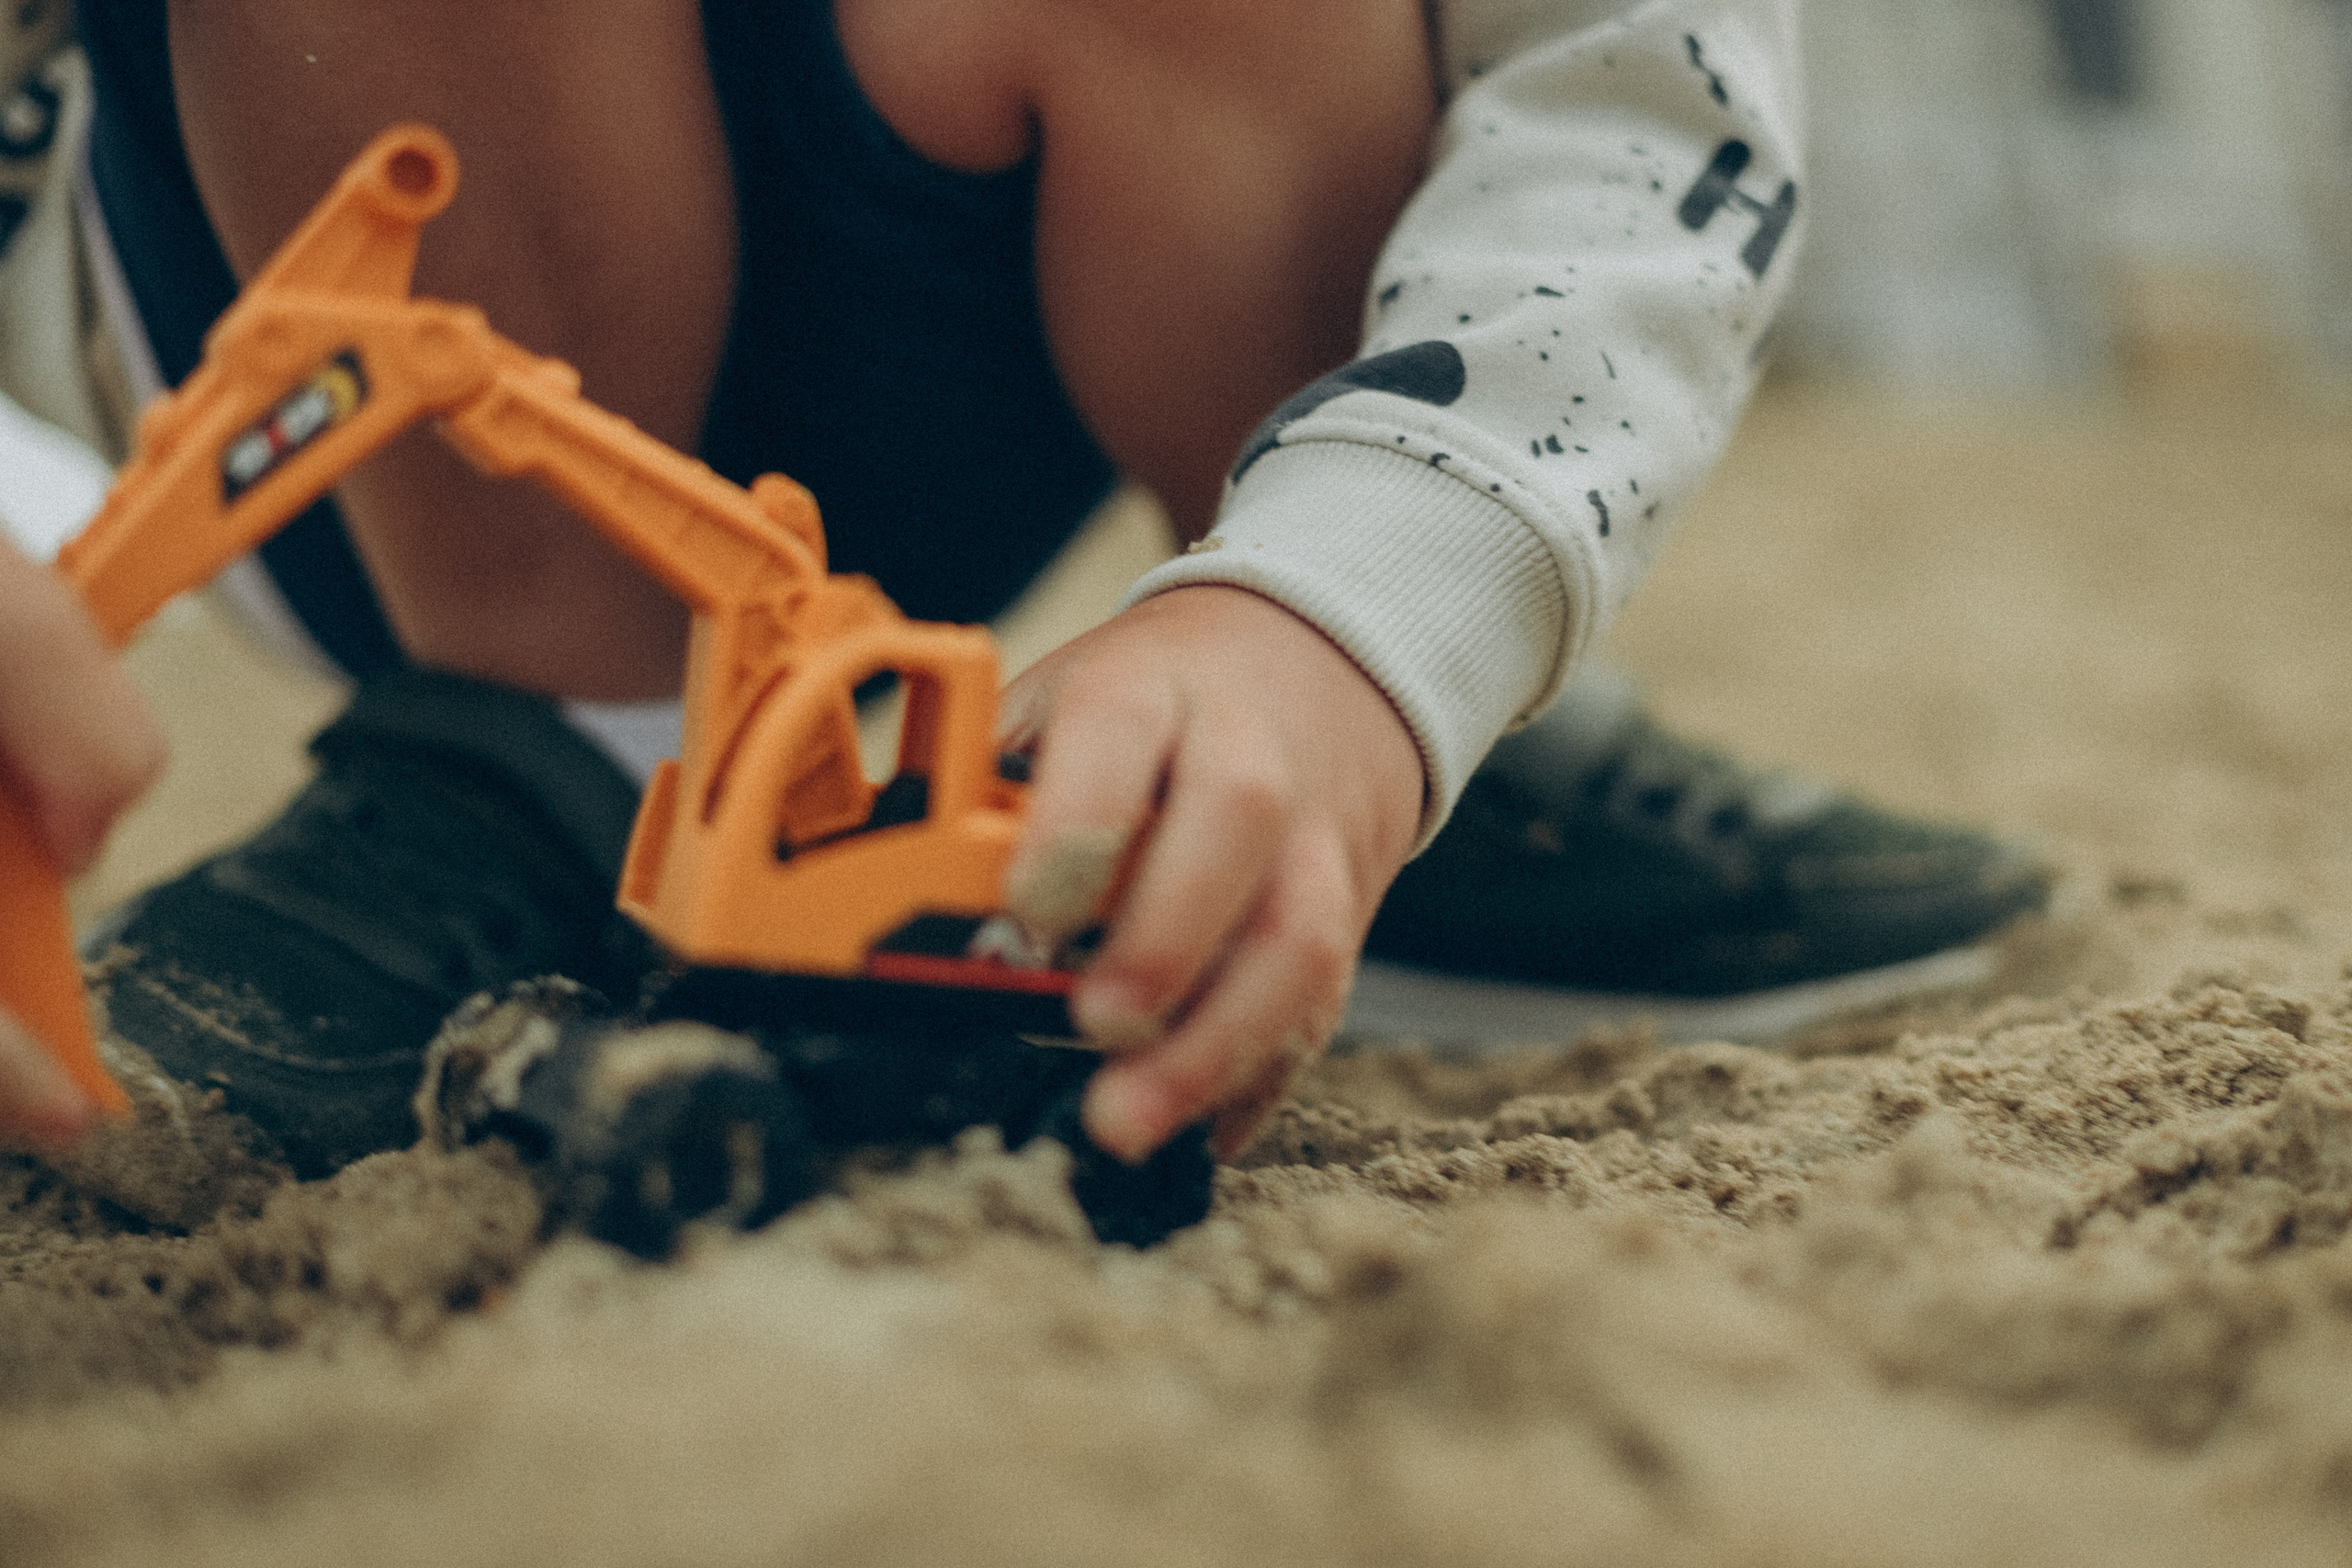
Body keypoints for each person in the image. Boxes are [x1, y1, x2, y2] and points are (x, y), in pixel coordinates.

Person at [0, 0, 2043, 1174]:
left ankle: (1307, 748)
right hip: (341, 353)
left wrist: (1361, 610)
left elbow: (1631, 87)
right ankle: (552, 736)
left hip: (1019, 277)